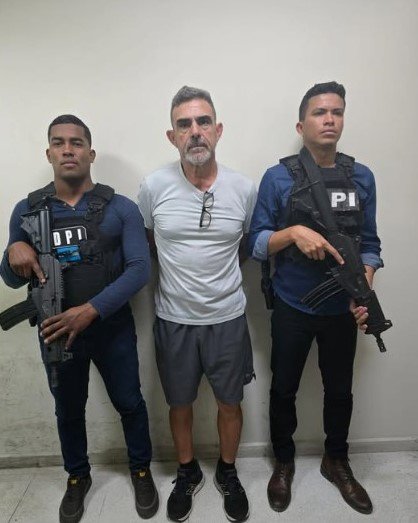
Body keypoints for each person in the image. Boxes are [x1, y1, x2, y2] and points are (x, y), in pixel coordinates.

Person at [0, 115, 159, 522]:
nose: (68, 149)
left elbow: (139, 269)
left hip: (111, 328)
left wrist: (90, 311)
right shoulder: (28, 210)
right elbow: (11, 278)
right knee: (68, 410)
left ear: (91, 153)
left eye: (76, 142)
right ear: (48, 153)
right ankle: (77, 476)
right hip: (55, 331)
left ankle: (141, 470)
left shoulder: (120, 207)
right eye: (59, 143)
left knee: (129, 402)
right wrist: (12, 250)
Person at [249, 82, 383, 515]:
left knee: (340, 390)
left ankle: (336, 460)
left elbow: (370, 244)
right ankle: (284, 462)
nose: (329, 119)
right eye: (320, 112)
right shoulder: (277, 177)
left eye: (337, 112)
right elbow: (256, 243)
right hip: (292, 303)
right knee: (283, 388)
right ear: (300, 125)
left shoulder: (361, 177)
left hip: (341, 308)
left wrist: (364, 281)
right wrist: (292, 233)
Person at [138, 86, 257, 523]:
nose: (195, 131)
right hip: (174, 319)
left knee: (230, 403)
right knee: (180, 403)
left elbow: (245, 246)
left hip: (227, 318)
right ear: (172, 136)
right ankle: (187, 471)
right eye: (184, 124)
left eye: (203, 121)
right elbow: (149, 243)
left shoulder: (243, 188)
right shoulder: (153, 186)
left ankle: (227, 471)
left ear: (218, 130)